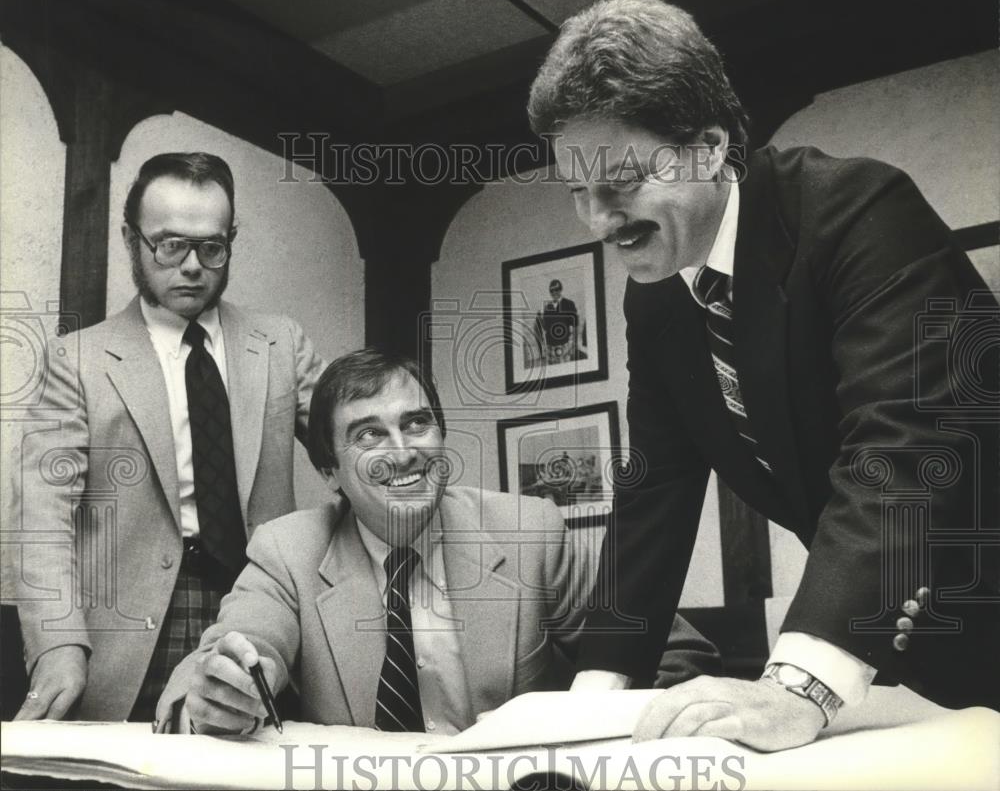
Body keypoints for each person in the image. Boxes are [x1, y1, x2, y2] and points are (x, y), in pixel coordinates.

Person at [528, 0, 999, 750]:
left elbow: (900, 454)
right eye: (577, 191)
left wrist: (795, 687)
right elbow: (654, 488)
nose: (597, 220)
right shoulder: (656, 301)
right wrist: (596, 696)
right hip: (925, 655)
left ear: (710, 146)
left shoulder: (861, 211)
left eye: (619, 182)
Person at [156, 348, 721, 734]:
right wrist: (225, 688)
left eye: (417, 423)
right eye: (368, 434)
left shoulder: (531, 532)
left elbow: (674, 653)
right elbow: (244, 643)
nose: (403, 452)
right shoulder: (287, 550)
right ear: (330, 471)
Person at [6, 152, 326, 722]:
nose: (192, 267)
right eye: (169, 245)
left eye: (212, 247)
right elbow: (39, 515)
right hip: (129, 631)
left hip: (262, 606)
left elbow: (355, 443)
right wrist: (57, 644)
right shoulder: (76, 360)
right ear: (132, 239)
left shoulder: (282, 344)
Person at [535, 279, 579, 364]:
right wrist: (540, 319)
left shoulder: (569, 304)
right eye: (551, 290)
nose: (554, 292)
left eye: (556, 289)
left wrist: (574, 346)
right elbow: (545, 327)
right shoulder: (547, 307)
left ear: (561, 289)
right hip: (550, 348)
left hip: (564, 346)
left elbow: (575, 326)